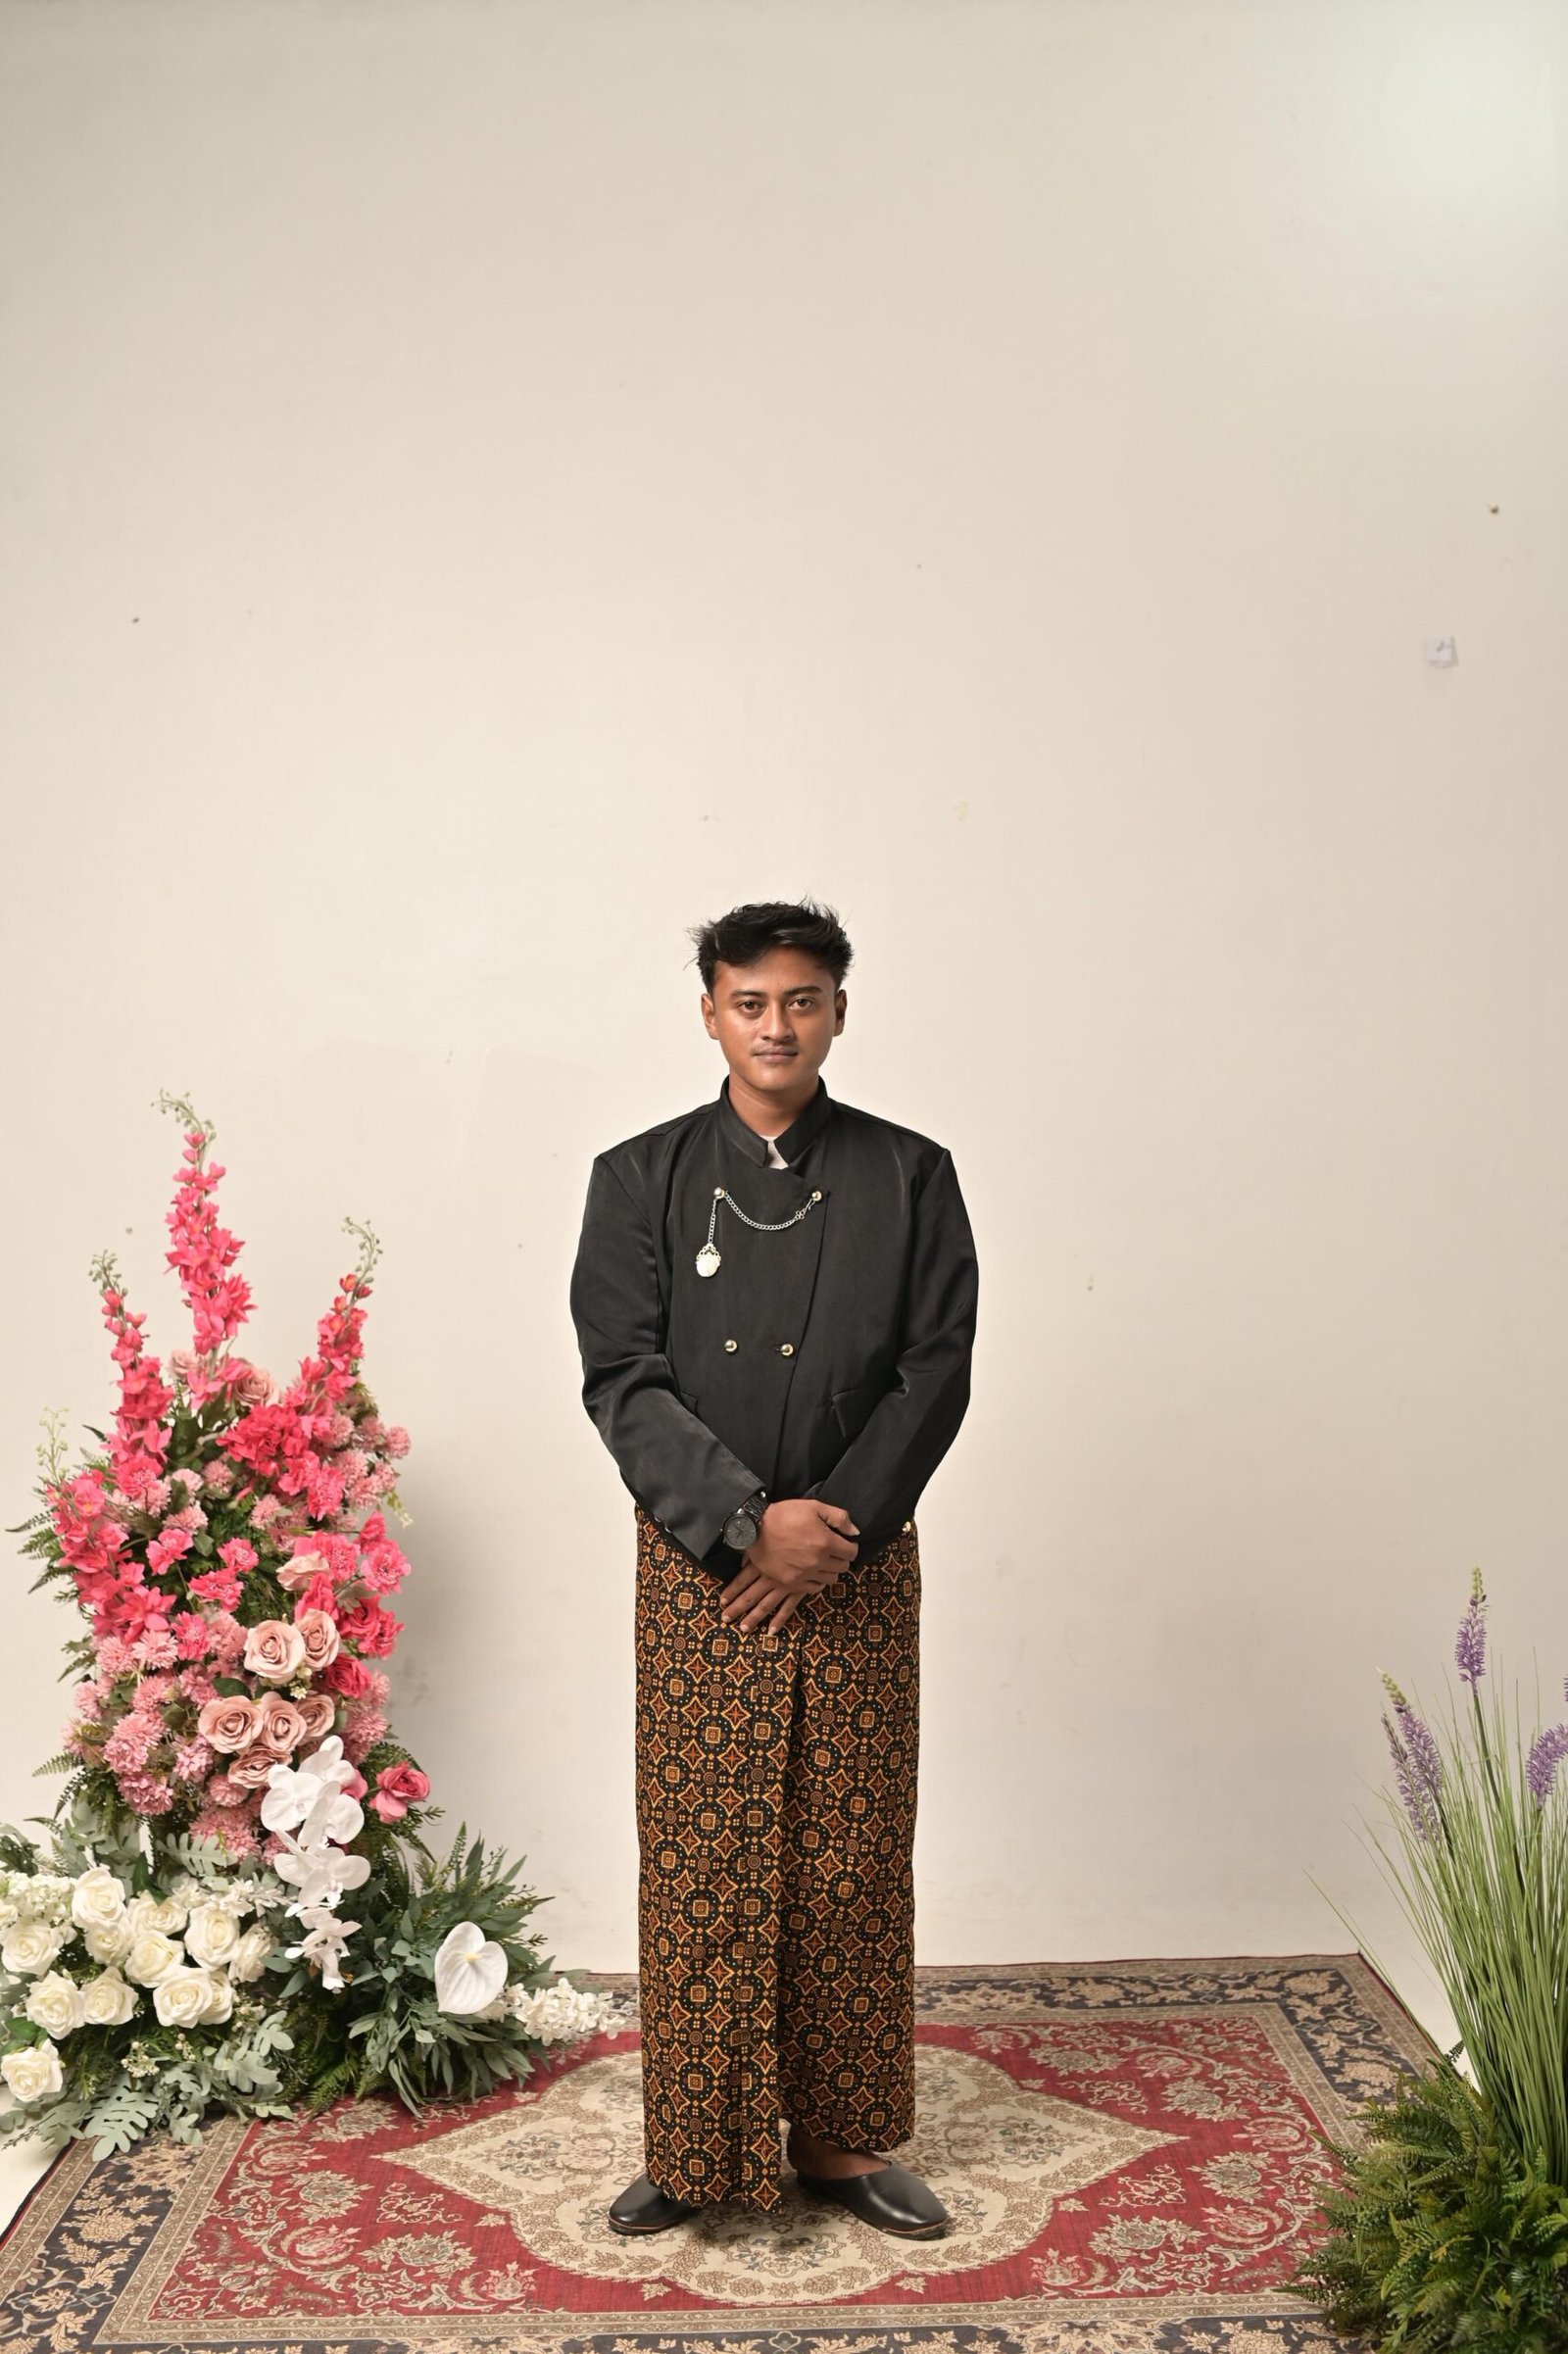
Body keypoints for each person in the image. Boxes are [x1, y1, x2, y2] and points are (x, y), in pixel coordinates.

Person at [568, 897, 979, 2238]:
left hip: (857, 1561)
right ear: (711, 1013)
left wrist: (825, 1529)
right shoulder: (637, 1177)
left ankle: (846, 2144)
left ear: (839, 1011)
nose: (777, 1026)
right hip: (702, 1568)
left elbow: (935, 1369)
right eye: (751, 1002)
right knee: (703, 1850)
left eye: (803, 1000)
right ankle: (696, 2147)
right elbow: (622, 1379)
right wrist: (748, 1523)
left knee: (849, 1852)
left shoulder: (911, 1174)